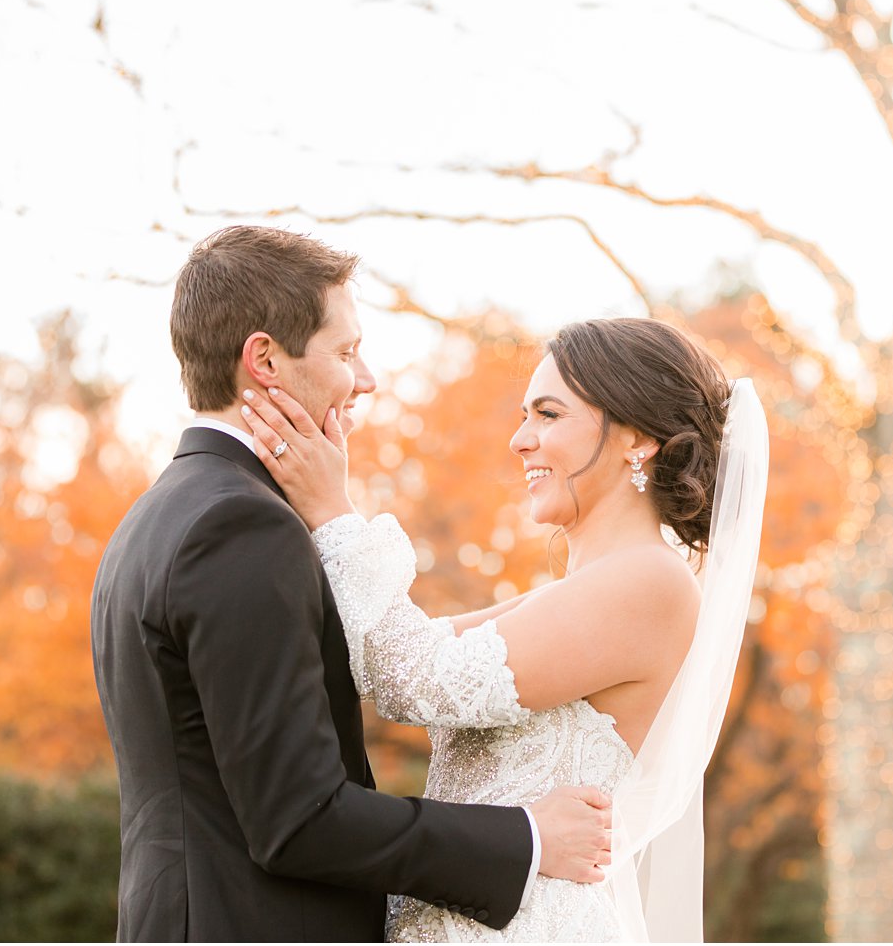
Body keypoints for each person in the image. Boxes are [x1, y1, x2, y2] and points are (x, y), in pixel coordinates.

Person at [90, 226, 614, 943]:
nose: (365, 379)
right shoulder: (243, 526)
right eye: (346, 351)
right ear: (265, 359)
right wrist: (525, 838)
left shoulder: (154, 518)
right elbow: (299, 819)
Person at [241, 316, 769, 941]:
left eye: (548, 414)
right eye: (525, 416)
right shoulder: (578, 594)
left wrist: (334, 510)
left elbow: (413, 678)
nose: (520, 440)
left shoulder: (651, 583)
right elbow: (395, 649)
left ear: (637, 438)